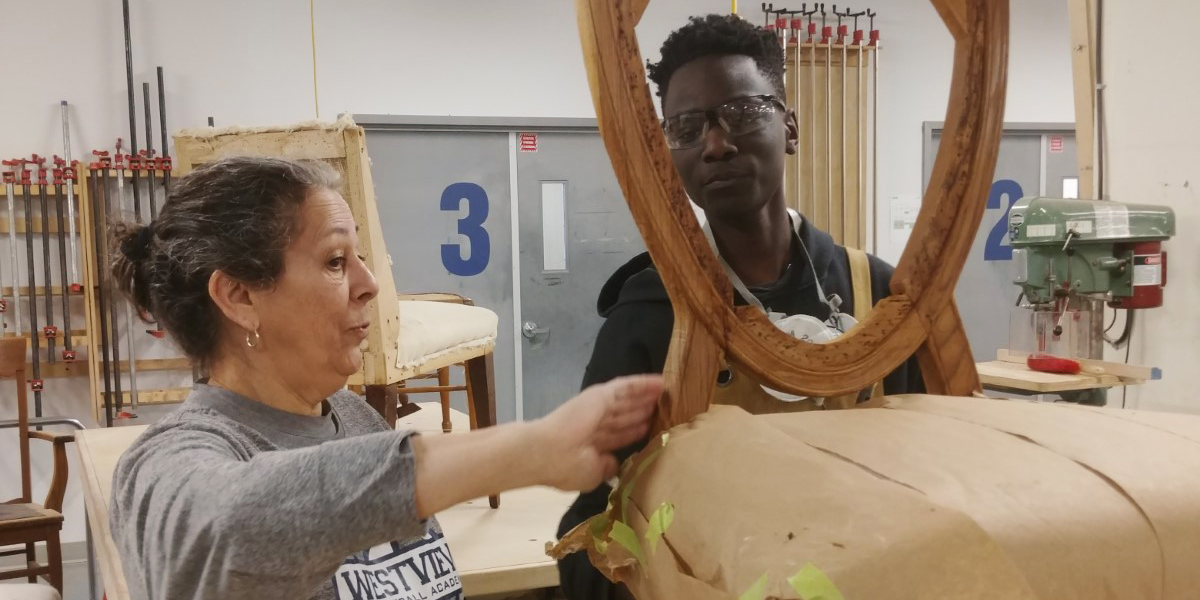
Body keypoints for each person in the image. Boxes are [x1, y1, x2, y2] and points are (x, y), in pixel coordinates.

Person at [107, 156, 664, 600]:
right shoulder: (164, 465)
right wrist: (527, 450)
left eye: (360, 258)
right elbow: (229, 529)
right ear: (240, 297)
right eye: (334, 261)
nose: (369, 283)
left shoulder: (353, 419)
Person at [555, 14, 925, 600]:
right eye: (686, 126)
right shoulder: (650, 312)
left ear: (791, 127)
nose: (717, 144)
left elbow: (945, 476)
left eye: (744, 112)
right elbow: (588, 526)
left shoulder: (877, 296)